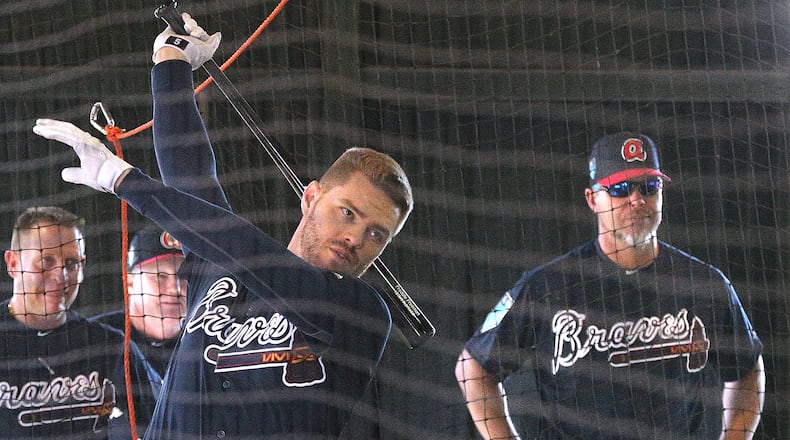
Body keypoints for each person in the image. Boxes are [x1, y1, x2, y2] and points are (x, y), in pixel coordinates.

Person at [33, 12, 414, 439]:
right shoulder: (223, 271)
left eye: (377, 234)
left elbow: (242, 247)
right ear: (311, 198)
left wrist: (120, 179)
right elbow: (192, 181)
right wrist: (171, 61)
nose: (355, 238)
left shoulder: (359, 312)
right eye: (348, 213)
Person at [455, 132, 765, 440]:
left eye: (649, 187)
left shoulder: (704, 284)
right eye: (619, 188)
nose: (637, 199)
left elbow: (748, 368)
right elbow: (473, 368)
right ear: (592, 199)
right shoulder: (547, 286)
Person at [0, 206, 161, 439]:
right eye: (46, 260)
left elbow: (157, 428)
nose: (61, 276)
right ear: (13, 263)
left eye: (72, 263)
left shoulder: (111, 348)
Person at [91, 225, 187, 378]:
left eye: (184, 276)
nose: (174, 289)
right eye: (160, 276)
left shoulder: (209, 338)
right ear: (130, 283)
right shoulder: (94, 338)